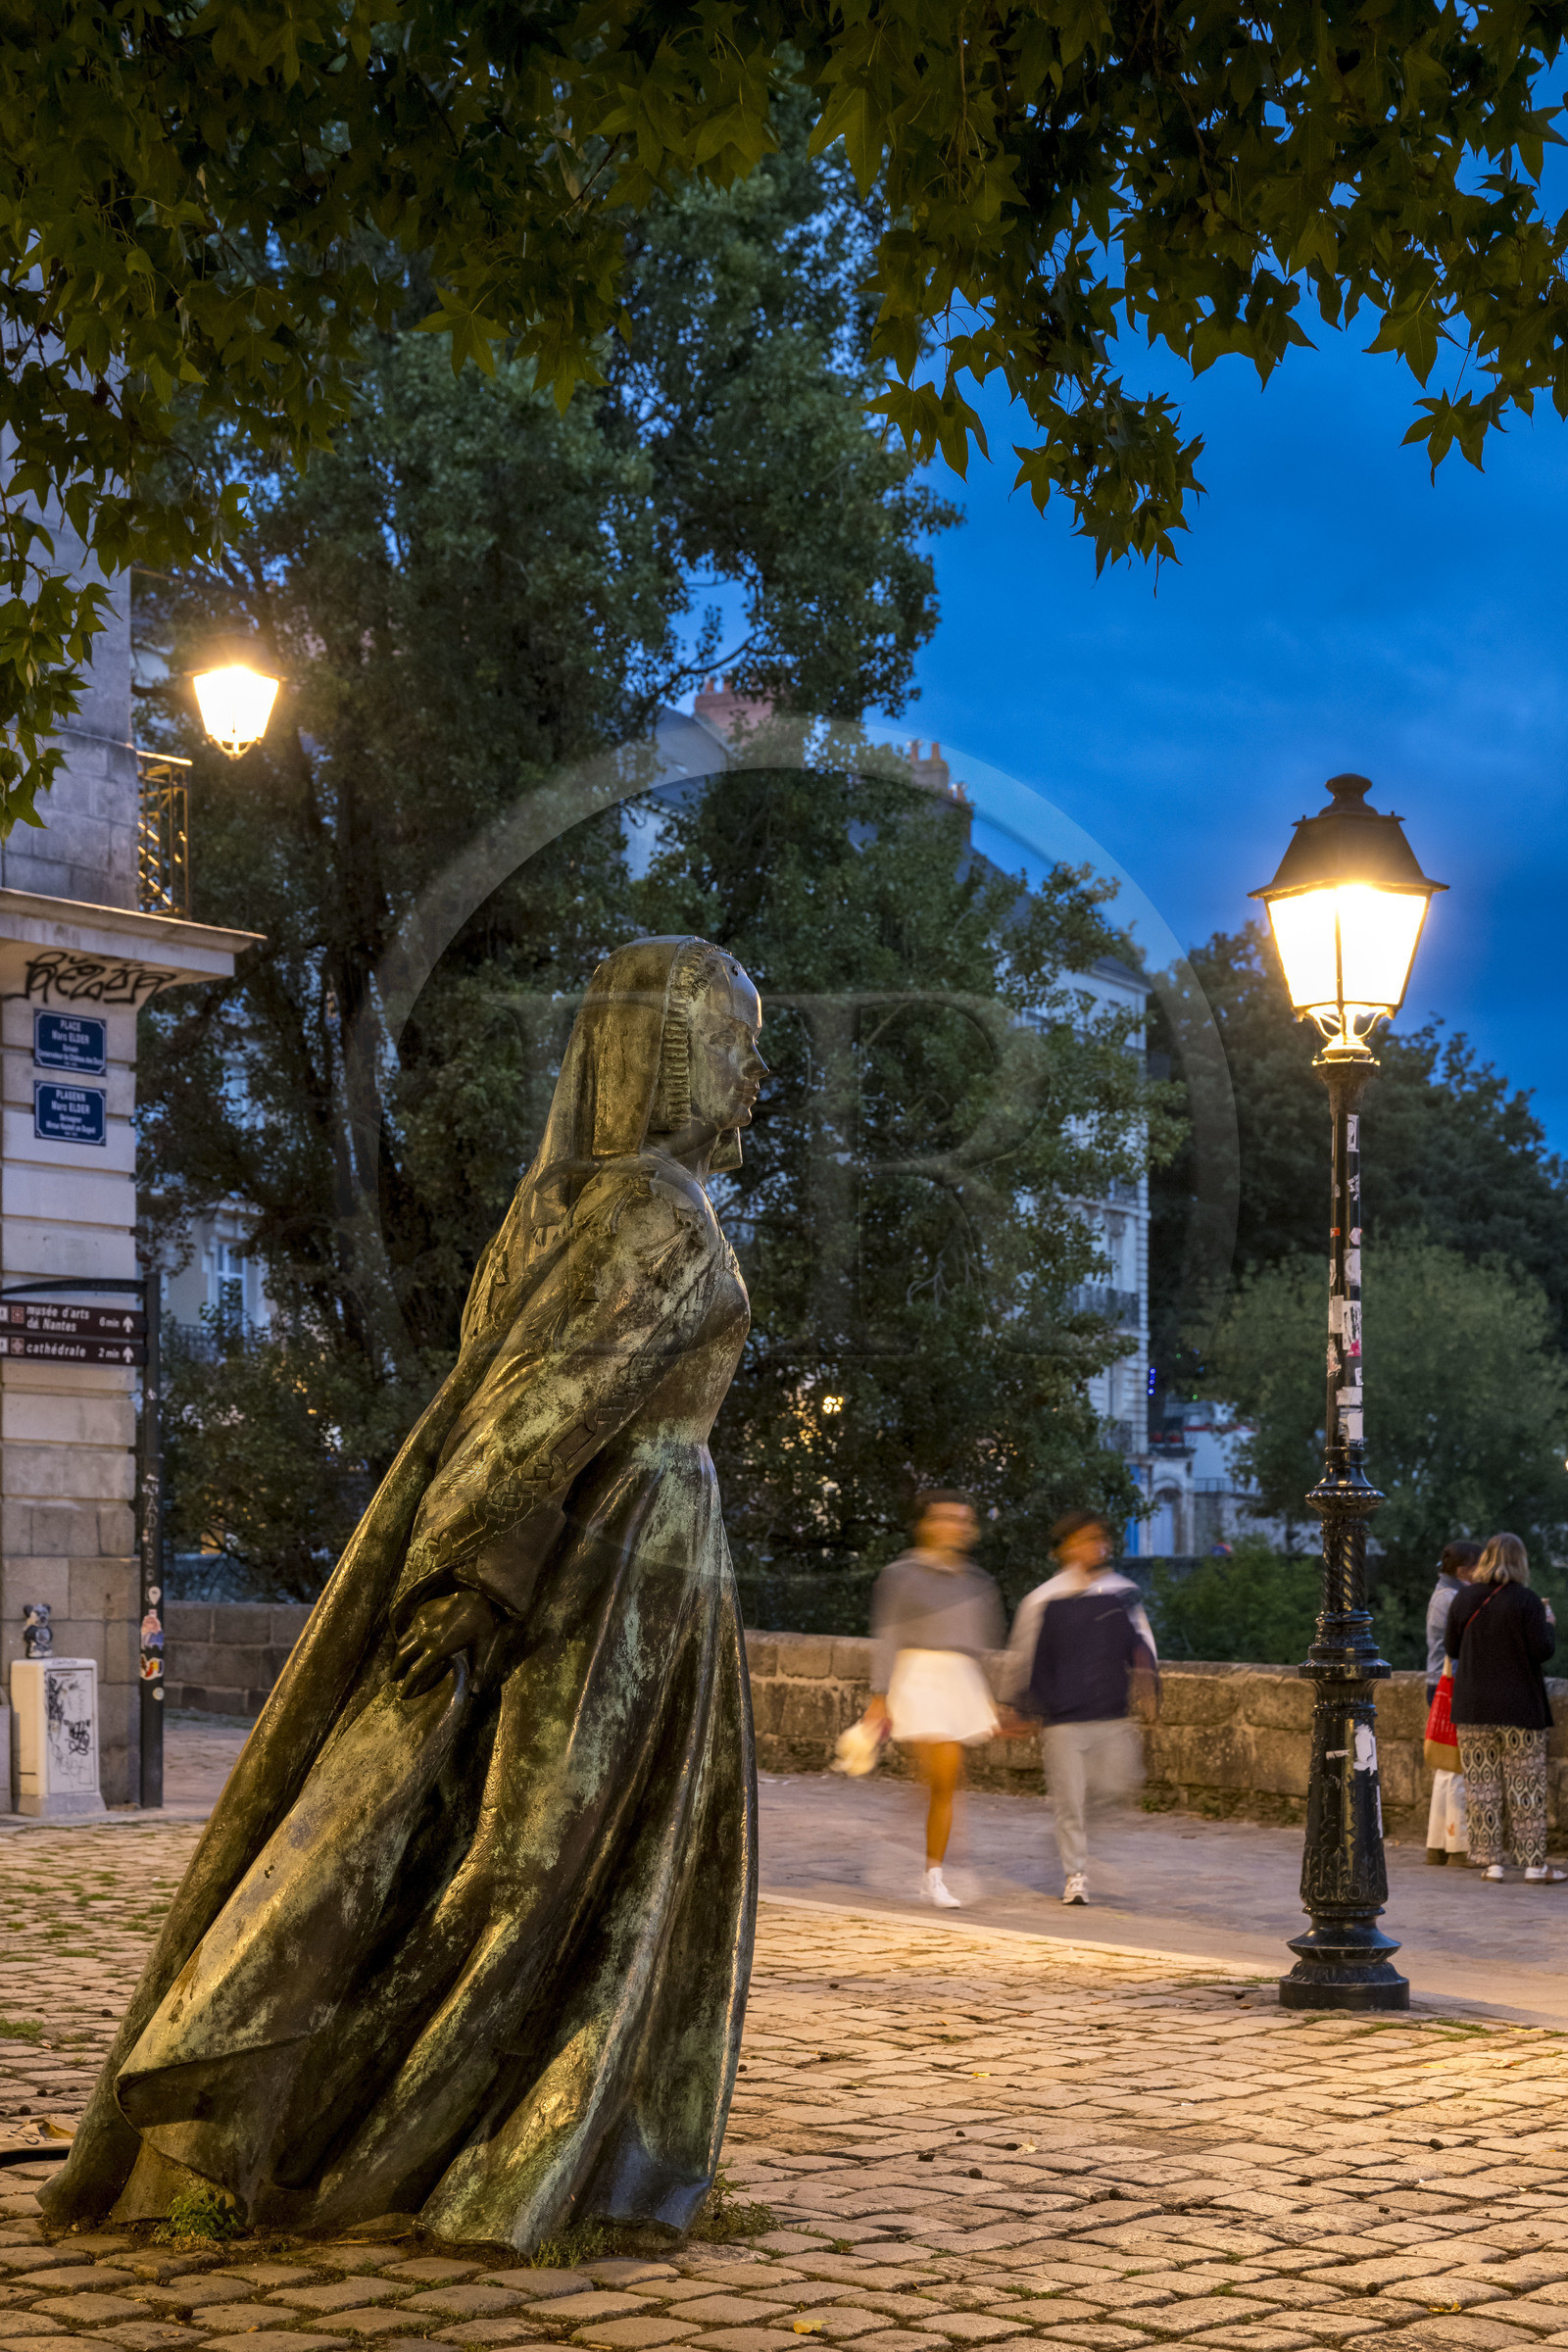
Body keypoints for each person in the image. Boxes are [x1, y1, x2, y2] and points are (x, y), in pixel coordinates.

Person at [43, 935, 767, 2246]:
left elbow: (508, 1409)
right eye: (734, 1045)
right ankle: (484, 2150)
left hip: (585, 1558)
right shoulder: (660, 1216)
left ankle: (356, 2129)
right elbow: (539, 1418)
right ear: (665, 1060)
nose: (753, 1077)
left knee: (492, 1858)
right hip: (626, 1562)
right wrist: (469, 1570)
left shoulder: (552, 1206)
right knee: (553, 1874)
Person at [1004, 1510, 1157, 1906]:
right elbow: (1023, 1655)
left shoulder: (1121, 1593)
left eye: (1099, 1538)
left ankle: (1069, 1835)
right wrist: (1017, 1707)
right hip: (1063, 1718)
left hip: (1112, 1712)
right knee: (1069, 1798)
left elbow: (1141, 1643)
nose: (1095, 1546)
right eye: (1085, 1539)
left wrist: (1148, 1684)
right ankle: (1075, 1873)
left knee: (1117, 1787)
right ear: (1067, 1548)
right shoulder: (1044, 1599)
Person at [863, 1491, 1004, 1909]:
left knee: (942, 1782)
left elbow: (983, 1647)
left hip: (960, 1680)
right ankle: (934, 1872)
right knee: (944, 1776)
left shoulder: (978, 1583)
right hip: (919, 1677)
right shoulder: (902, 1574)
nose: (954, 1527)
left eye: (962, 1520)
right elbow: (887, 1637)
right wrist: (880, 1696)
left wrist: (991, 1697)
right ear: (926, 1524)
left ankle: (923, 1864)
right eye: (944, 1518)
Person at [1446, 1531, 1563, 1885]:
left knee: (1482, 1788)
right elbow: (1542, 1651)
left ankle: (1491, 1863)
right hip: (1519, 1710)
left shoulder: (1465, 1599)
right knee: (1525, 1787)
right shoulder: (1528, 1601)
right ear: (1520, 1561)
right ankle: (1533, 1866)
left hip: (1473, 1708)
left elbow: (1452, 1648)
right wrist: (1549, 1624)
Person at [1425, 1539, 1481, 1866]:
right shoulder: (1453, 1598)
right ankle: (1458, 1844)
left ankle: (1440, 1843)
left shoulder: (1442, 1595)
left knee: (1446, 1767)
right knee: (1458, 1765)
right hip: (1451, 1684)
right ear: (1464, 1570)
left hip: (1439, 1683)